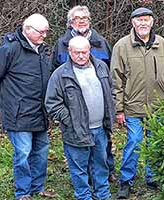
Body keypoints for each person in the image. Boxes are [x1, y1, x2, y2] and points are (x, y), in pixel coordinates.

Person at [0, 13, 58, 200]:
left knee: (41, 152)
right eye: (41, 32)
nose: (45, 35)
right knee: (23, 155)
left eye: (47, 31)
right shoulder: (9, 49)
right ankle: (23, 193)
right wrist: (8, 102)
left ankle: (37, 187)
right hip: (17, 115)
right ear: (27, 30)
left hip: (40, 113)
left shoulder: (43, 50)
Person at [111, 7, 164, 199]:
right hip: (132, 106)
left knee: (155, 142)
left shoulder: (161, 44)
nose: (142, 23)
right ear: (133, 23)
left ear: (152, 22)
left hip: (158, 105)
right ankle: (126, 181)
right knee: (133, 142)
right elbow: (116, 79)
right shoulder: (122, 46)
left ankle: (153, 176)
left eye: (146, 20)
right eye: (139, 20)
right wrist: (119, 108)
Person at [45, 36, 114, 200]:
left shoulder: (101, 67)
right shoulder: (60, 74)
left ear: (90, 50)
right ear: (69, 52)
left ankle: (102, 194)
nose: (81, 56)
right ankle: (83, 196)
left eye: (84, 52)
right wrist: (70, 120)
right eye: (77, 53)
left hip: (100, 128)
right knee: (79, 168)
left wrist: (111, 109)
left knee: (100, 165)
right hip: (75, 131)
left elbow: (111, 91)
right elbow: (52, 103)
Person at [51, 5, 116, 182]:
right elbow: (54, 75)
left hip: (99, 109)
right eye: (76, 19)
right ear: (70, 23)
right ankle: (84, 177)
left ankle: (107, 171)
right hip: (74, 107)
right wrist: (66, 114)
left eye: (84, 18)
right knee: (79, 144)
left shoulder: (101, 42)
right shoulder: (61, 45)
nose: (81, 22)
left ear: (89, 21)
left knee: (104, 142)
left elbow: (110, 73)